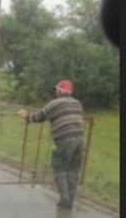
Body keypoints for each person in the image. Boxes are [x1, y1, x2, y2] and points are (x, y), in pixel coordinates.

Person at [18, 79, 85, 210]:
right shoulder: (77, 103)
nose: (55, 91)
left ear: (60, 91)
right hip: (80, 139)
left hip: (66, 139)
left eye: (56, 89)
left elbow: (39, 116)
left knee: (59, 167)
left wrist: (26, 116)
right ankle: (70, 200)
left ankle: (64, 198)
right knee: (73, 169)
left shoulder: (55, 103)